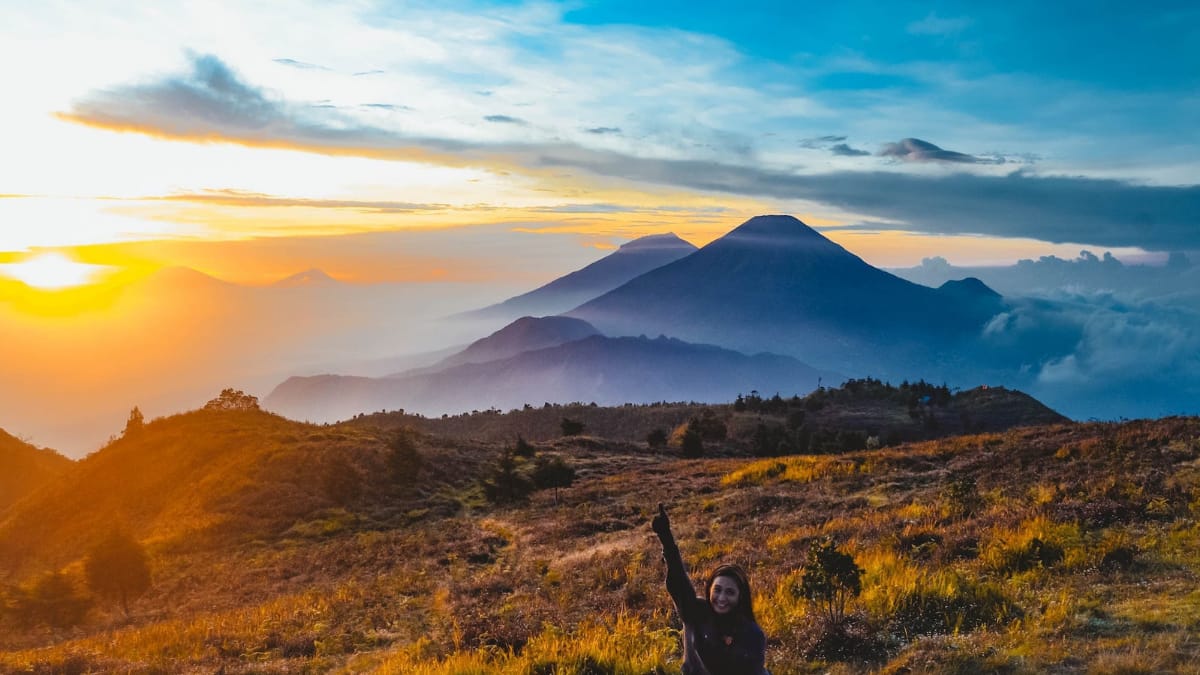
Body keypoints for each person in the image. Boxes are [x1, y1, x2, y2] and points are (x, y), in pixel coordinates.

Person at [652, 503, 768, 675]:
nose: (721, 598)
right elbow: (680, 584)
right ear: (709, 590)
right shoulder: (697, 612)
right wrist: (667, 540)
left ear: (740, 597)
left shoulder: (751, 634)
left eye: (730, 592)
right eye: (717, 589)